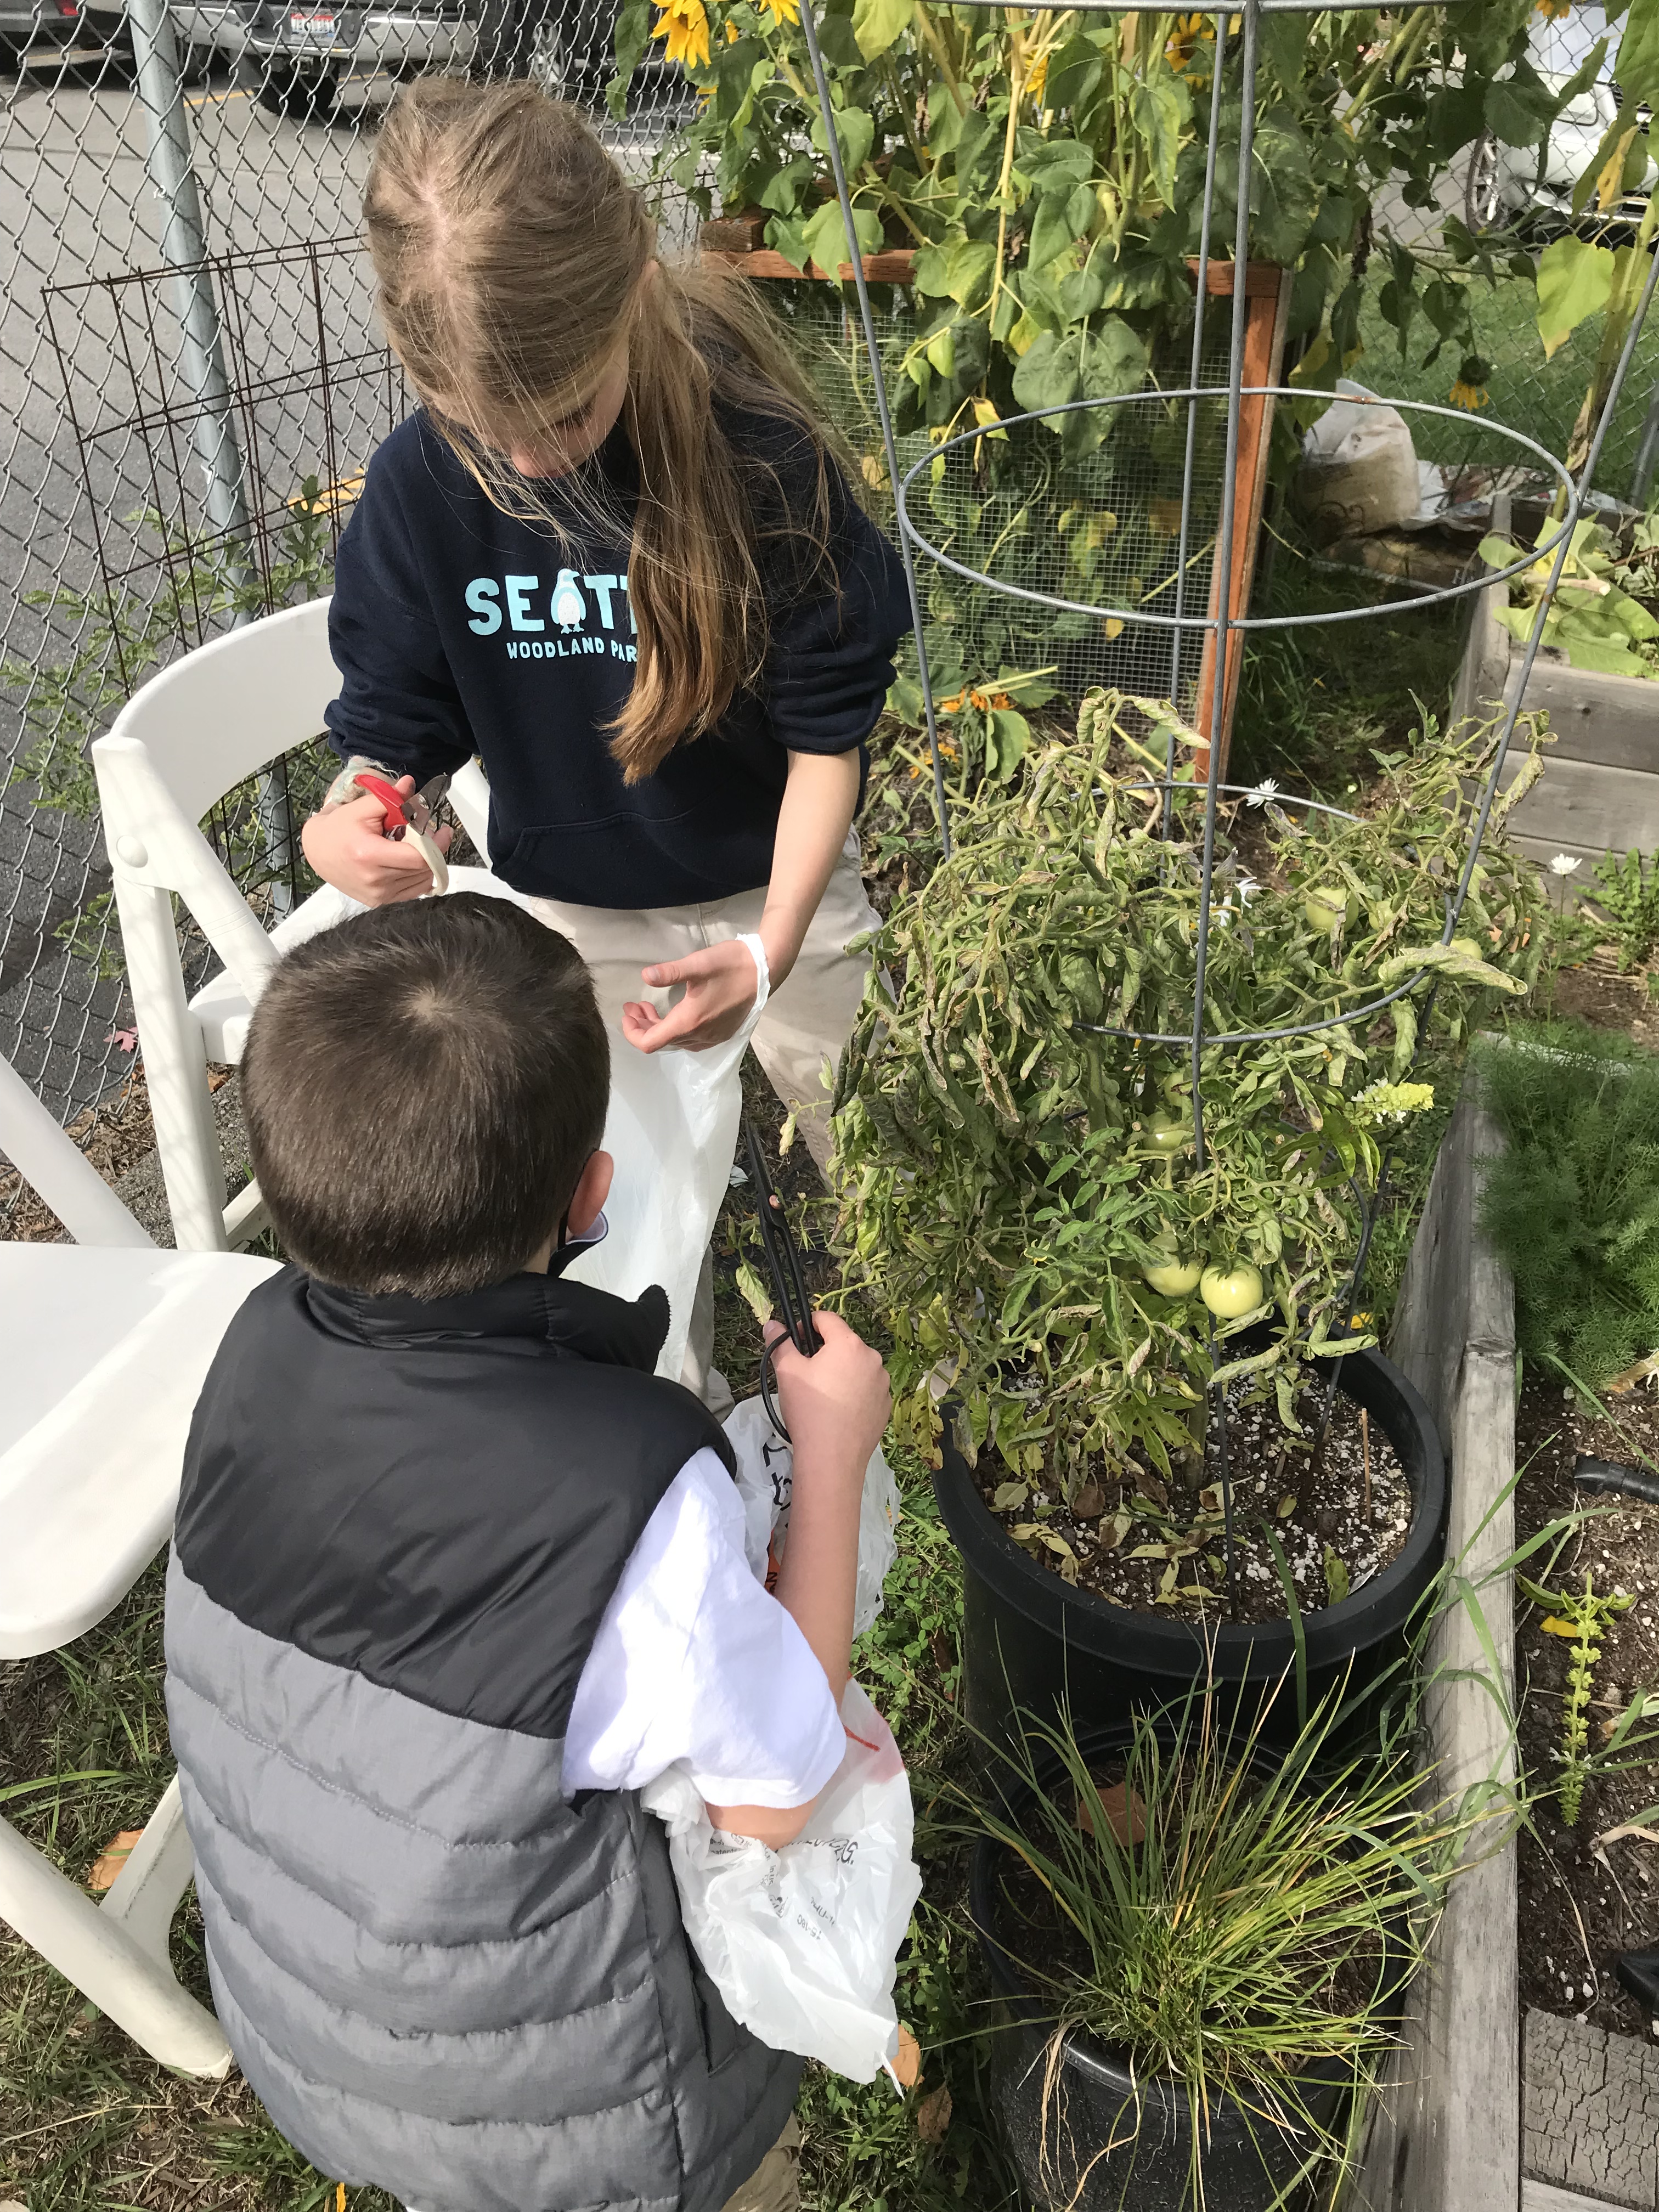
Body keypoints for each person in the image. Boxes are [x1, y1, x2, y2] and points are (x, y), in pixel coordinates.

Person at [163, 894, 893, 2212]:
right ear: (593, 1192)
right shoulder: (631, 1491)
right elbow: (777, 1798)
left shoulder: (249, 1349)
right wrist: (831, 1457)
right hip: (576, 2125)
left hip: (308, 2032)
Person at [300, 78, 911, 1403]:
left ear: (636, 285)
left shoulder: (766, 461)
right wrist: (352, 812)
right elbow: (394, 727)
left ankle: (939, 1363)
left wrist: (771, 946)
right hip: (574, 912)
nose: (532, 467)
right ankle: (659, 1431)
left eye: (569, 417)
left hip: (778, 879)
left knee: (879, 1138)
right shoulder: (418, 488)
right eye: (490, 432)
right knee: (620, 1225)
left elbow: (827, 746)